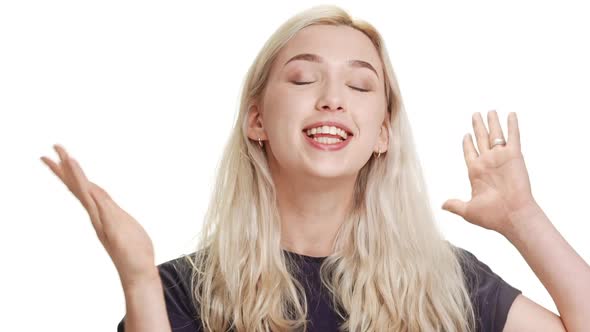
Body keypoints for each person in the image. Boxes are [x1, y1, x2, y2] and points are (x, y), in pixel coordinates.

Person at [41, 4, 587, 332]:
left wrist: (523, 218)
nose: (332, 99)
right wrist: (137, 279)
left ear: (382, 134)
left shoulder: (446, 283)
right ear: (256, 119)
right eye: (303, 79)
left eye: (359, 84)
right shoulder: (184, 291)